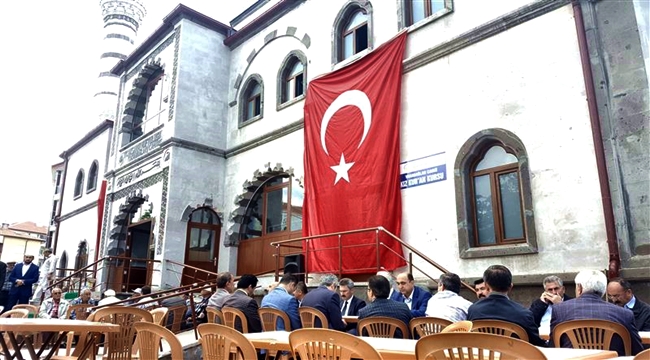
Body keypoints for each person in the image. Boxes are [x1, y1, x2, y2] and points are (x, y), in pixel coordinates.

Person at [550, 270, 643, 356]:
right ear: (603, 290)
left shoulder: (559, 310)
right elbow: (637, 350)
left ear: (579, 288)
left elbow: (553, 347)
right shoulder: (625, 314)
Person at [467, 265, 546, 346]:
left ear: (486, 286)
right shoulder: (523, 314)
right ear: (510, 287)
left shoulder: (473, 310)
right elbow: (537, 345)